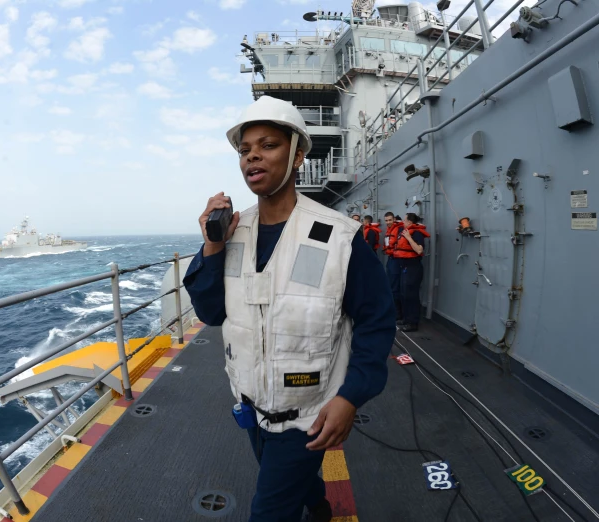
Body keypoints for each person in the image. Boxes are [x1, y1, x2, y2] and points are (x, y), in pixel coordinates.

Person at [183, 96, 395, 522]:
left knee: (269, 511)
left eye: (268, 145)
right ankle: (316, 501)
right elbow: (209, 312)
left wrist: (351, 398)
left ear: (298, 155)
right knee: (280, 476)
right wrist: (212, 243)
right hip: (251, 407)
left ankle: (309, 499)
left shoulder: (339, 237)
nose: (253, 156)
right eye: (245, 150)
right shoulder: (233, 232)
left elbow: (376, 320)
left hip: (309, 416)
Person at [392, 213, 430, 332]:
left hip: (413, 268)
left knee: (411, 296)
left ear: (410, 222)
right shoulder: (406, 231)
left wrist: (408, 238)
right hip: (405, 267)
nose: (403, 222)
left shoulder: (416, 233)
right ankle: (406, 319)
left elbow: (419, 250)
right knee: (404, 294)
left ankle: (413, 323)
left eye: (404, 220)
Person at [382, 212, 403, 320]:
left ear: (394, 219)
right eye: (386, 220)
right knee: (390, 285)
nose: (388, 222)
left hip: (396, 260)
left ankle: (398, 313)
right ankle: (392, 310)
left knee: (395, 287)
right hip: (390, 259)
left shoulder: (399, 229)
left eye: (390, 220)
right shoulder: (389, 230)